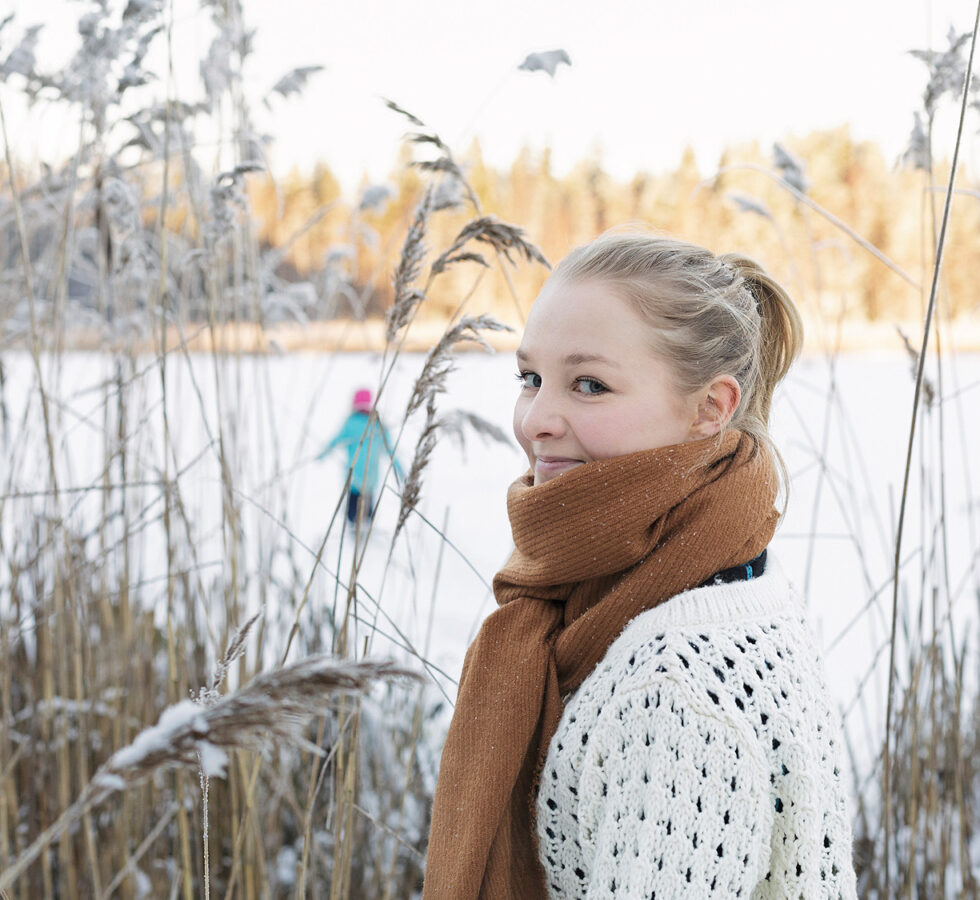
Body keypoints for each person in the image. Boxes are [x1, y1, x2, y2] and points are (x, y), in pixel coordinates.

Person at [424, 233, 858, 899]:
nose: (536, 419)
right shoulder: (730, 591)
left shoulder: (672, 685)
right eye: (530, 379)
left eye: (590, 385)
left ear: (709, 409)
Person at [317, 388, 405, 525]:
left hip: (355, 477)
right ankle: (361, 529)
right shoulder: (377, 425)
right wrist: (400, 470)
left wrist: (322, 455)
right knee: (364, 506)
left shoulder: (356, 423)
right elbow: (390, 451)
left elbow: (335, 440)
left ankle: (357, 529)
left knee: (356, 507)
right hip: (368, 477)